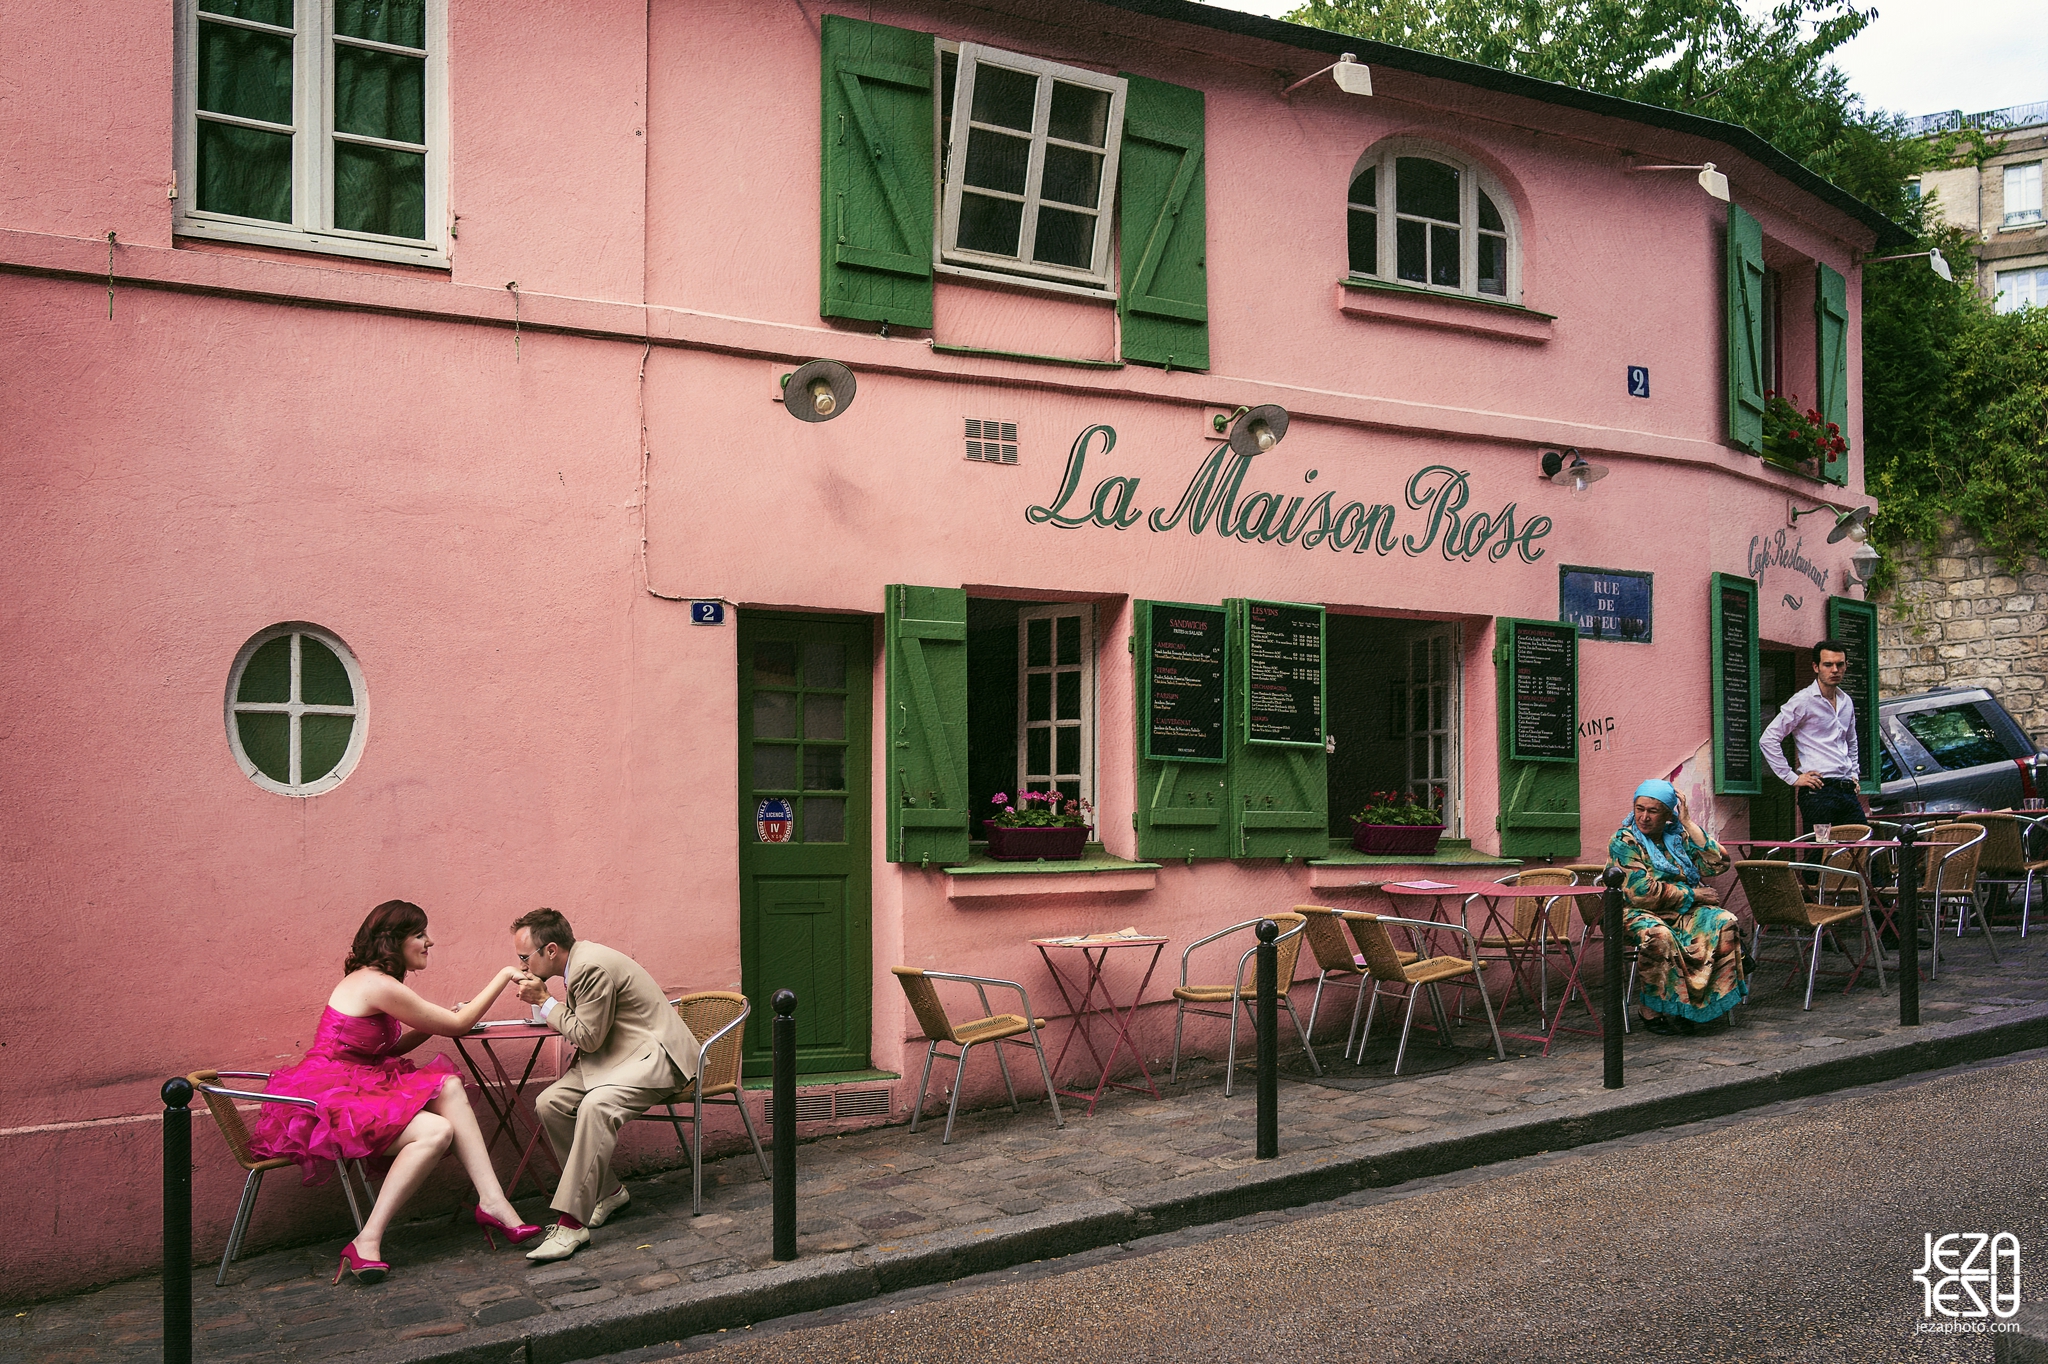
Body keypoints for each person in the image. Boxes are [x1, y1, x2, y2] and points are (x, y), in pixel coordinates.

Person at [249, 900, 543, 1286]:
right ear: (395, 942)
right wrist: (505, 974)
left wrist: (433, 1024)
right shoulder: (376, 983)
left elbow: (386, 1050)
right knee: (437, 1132)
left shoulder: (374, 980)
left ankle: (493, 1202)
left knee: (449, 1084)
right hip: (330, 1097)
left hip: (360, 1081)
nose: (429, 942)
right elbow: (458, 1025)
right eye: (420, 934)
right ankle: (366, 1240)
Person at [512, 908, 700, 1263]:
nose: (522, 965)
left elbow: (588, 1037)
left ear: (550, 950)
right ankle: (610, 1191)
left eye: (524, 957)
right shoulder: (578, 963)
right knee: (549, 1103)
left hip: (654, 1058)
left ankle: (570, 1224)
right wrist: (549, 1003)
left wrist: (544, 1001)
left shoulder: (589, 967)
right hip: (617, 1056)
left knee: (596, 1106)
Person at [1609, 780, 1746, 1035]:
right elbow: (1641, 893)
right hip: (1635, 912)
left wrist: (1688, 823)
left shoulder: (1678, 837)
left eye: (1653, 811)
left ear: (1668, 813)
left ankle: (1691, 1006)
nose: (1644, 817)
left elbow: (1718, 864)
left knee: (1723, 921)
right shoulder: (1624, 840)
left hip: (1681, 911)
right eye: (1640, 809)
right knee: (1659, 934)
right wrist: (1693, 894)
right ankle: (1650, 1008)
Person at [1761, 639, 1867, 833]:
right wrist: (1792, 778)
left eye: (1839, 664)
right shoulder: (1803, 700)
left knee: (1863, 846)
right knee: (1820, 851)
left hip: (1846, 790)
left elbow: (1851, 740)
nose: (1834, 670)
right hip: (1818, 792)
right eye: (1828, 664)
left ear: (1846, 666)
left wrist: (1854, 773)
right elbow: (1768, 739)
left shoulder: (1846, 701)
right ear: (1816, 667)